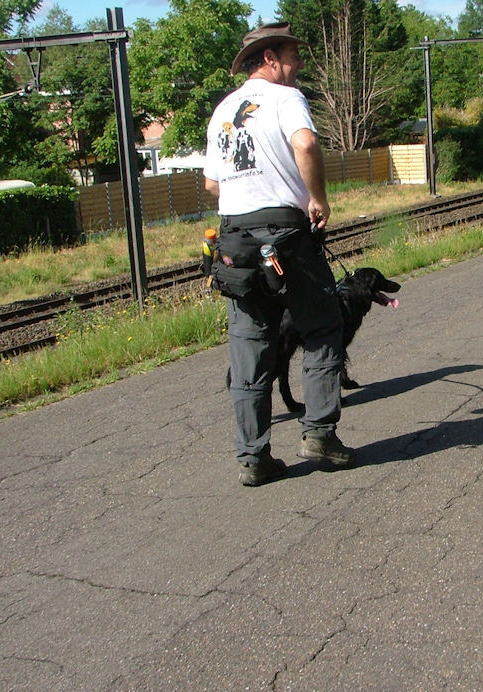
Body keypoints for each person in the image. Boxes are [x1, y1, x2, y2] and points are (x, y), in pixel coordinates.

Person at [203, 22, 354, 487]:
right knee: (324, 324)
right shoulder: (286, 99)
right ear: (270, 58)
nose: (299, 63)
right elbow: (305, 143)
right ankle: (320, 435)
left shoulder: (222, 110)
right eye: (293, 55)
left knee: (250, 345)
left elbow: (211, 184)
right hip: (286, 233)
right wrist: (319, 198)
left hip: (234, 237)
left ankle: (253, 457)